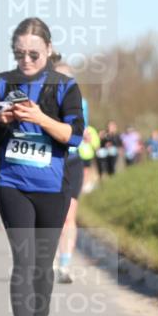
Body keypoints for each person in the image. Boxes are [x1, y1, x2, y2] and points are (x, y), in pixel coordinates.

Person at [0, 18, 84, 316]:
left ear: (49, 50)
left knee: (42, 264)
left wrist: (39, 118)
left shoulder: (65, 87)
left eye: (34, 54)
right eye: (19, 54)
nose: (26, 61)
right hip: (12, 181)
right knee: (23, 260)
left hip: (53, 186)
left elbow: (74, 136)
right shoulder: (2, 82)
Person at [55, 62, 88, 284]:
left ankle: (65, 264)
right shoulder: (42, 101)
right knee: (50, 217)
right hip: (51, 161)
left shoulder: (81, 102)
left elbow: (79, 129)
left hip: (73, 161)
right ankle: (48, 260)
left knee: (68, 217)